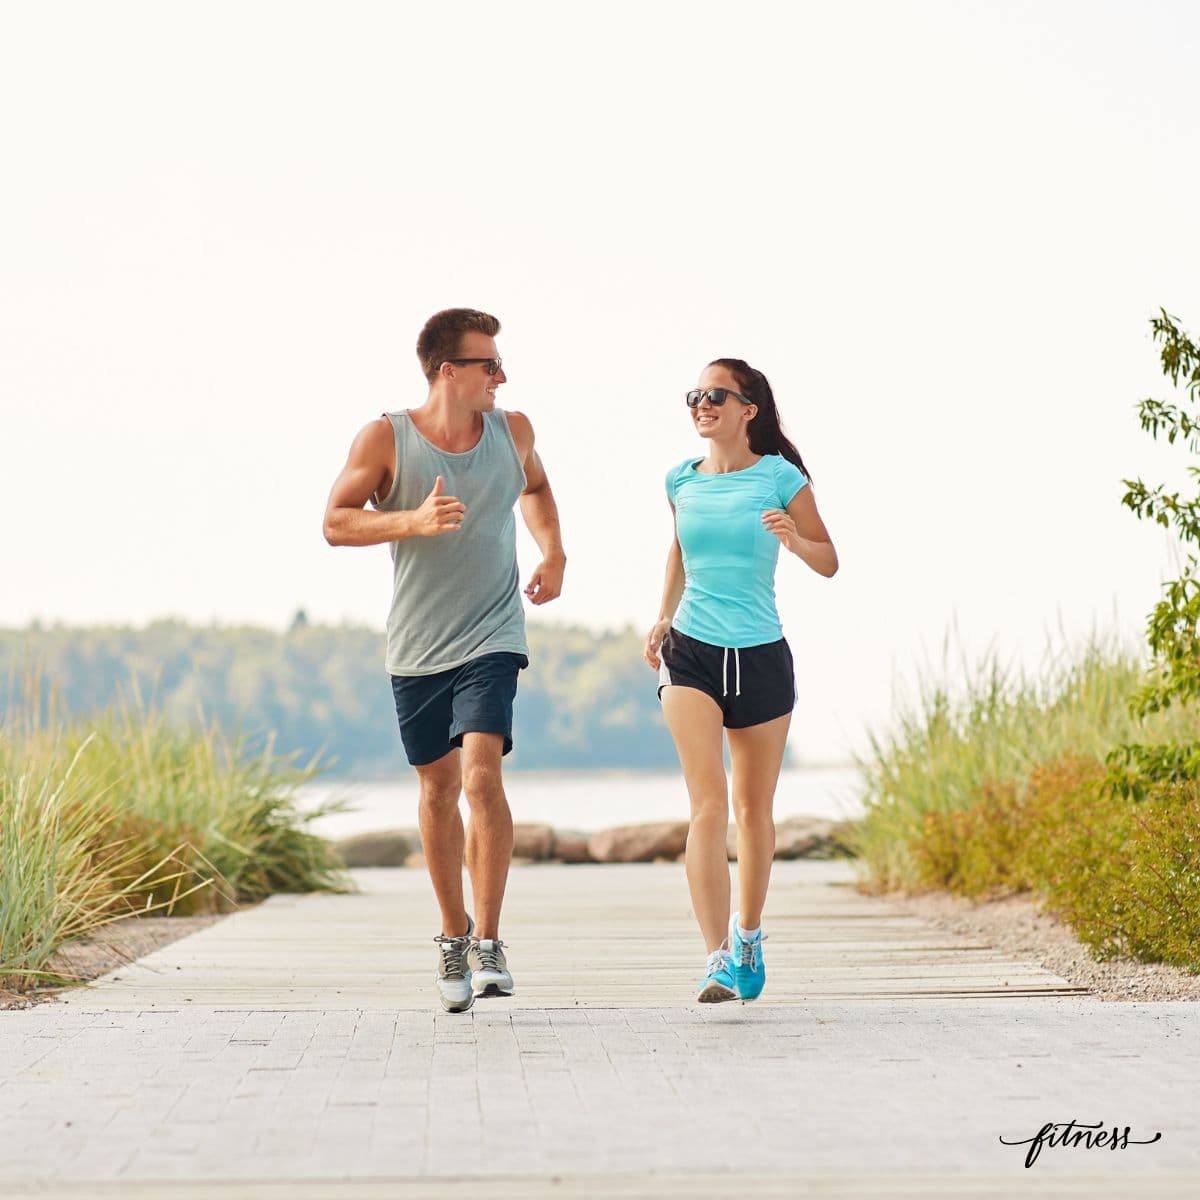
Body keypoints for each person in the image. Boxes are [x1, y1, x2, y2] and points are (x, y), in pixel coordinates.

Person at [323, 307, 565, 1013]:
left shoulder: (514, 431)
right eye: (490, 364)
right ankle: (452, 935)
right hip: (418, 645)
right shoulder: (386, 438)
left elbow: (536, 487)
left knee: (481, 776)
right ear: (448, 371)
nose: (502, 377)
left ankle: (488, 942)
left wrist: (553, 551)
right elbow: (335, 521)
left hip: (494, 633)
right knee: (437, 790)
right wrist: (412, 520)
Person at [643, 358, 837, 1003]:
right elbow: (679, 550)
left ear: (748, 409)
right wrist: (662, 615)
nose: (702, 404)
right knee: (708, 805)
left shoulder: (780, 477)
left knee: (753, 811)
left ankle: (748, 934)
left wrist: (793, 538)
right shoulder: (680, 480)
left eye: (716, 395)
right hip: (690, 652)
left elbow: (829, 560)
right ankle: (717, 958)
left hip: (760, 655)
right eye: (694, 395)